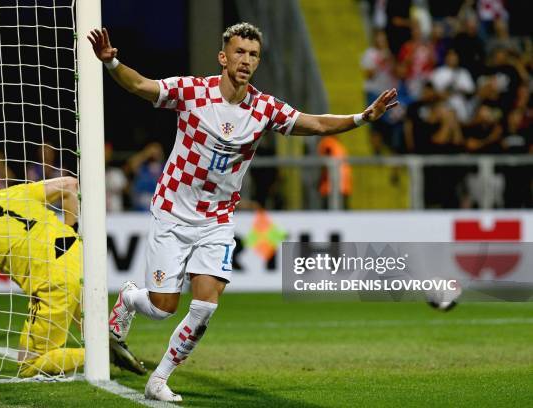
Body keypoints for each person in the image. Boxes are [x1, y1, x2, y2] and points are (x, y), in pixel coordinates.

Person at [88, 23, 397, 402]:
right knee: (162, 307)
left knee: (203, 307)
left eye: (253, 55)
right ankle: (131, 299)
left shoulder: (264, 109)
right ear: (223, 56)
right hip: (173, 212)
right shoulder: (193, 92)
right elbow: (141, 85)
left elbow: (315, 124)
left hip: (217, 219)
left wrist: (362, 118)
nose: (246, 60)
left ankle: (159, 380)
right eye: (239, 52)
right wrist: (112, 62)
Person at [0, 173, 144, 378]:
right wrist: (70, 231)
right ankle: (118, 324)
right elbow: (70, 184)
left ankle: (103, 353)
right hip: (81, 261)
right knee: (93, 329)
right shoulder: (13, 192)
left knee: (29, 364)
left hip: (52, 281)